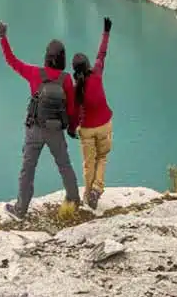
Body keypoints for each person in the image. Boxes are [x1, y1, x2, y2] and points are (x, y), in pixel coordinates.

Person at [0, 19, 81, 220]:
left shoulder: (35, 73)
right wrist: (71, 127)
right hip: (56, 130)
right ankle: (74, 200)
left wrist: (2, 37)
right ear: (62, 58)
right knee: (64, 165)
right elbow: (72, 108)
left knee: (28, 169)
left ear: (46, 56)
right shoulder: (66, 79)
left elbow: (12, 60)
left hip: (34, 129)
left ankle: (21, 209)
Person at [72, 16, 114, 210]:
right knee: (102, 157)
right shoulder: (96, 72)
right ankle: (97, 189)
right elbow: (102, 53)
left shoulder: (75, 89)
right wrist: (106, 32)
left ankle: (88, 196)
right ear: (88, 64)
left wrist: (72, 128)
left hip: (87, 130)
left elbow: (72, 112)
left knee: (89, 163)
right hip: (104, 124)